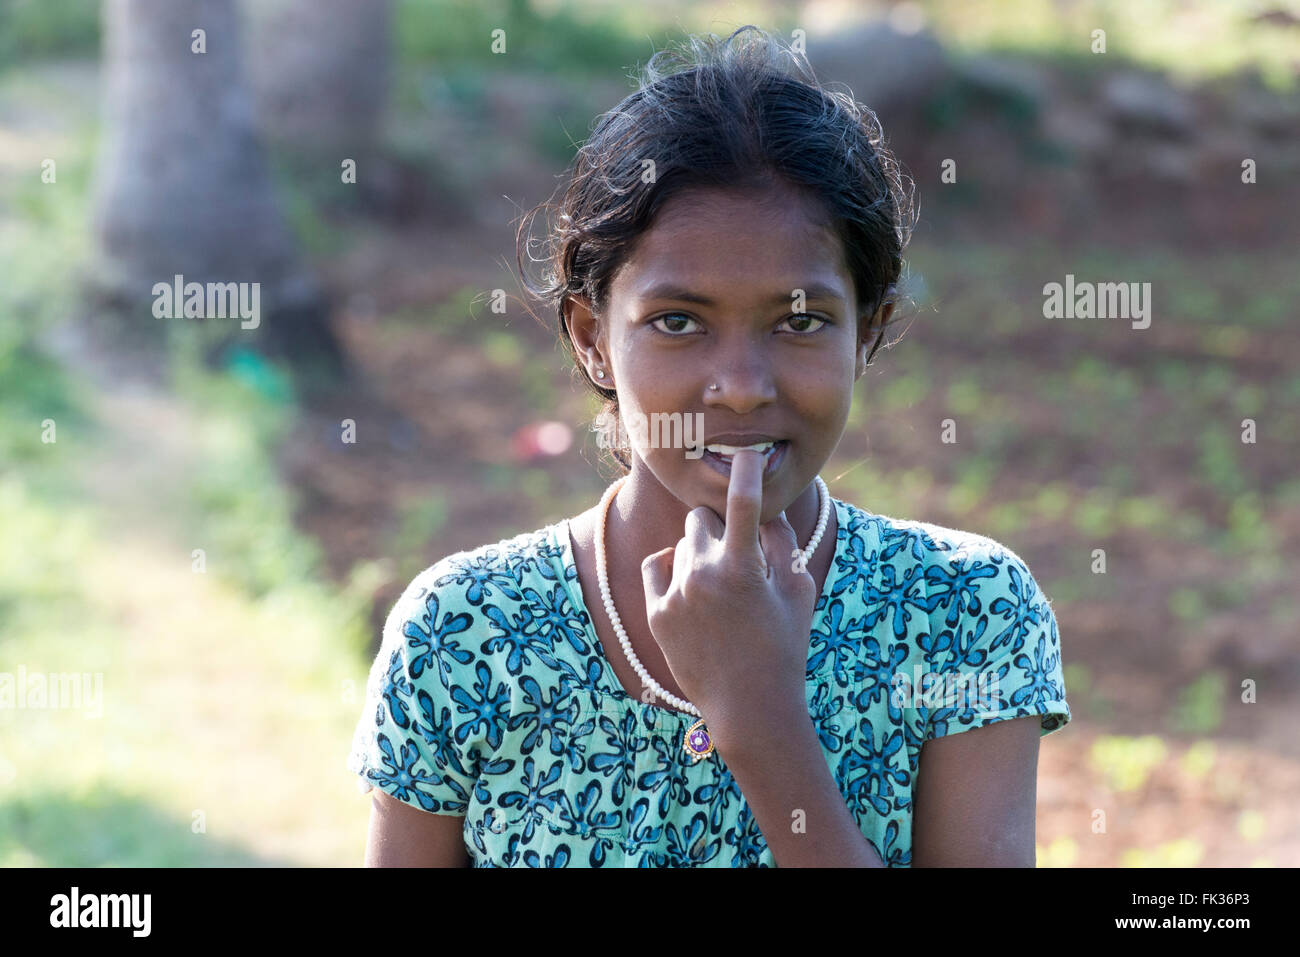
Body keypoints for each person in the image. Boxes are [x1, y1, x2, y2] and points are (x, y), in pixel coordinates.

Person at [347, 25, 1070, 867]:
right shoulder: (467, 629)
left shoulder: (964, 613)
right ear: (590, 337)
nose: (741, 385)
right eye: (677, 321)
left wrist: (759, 716)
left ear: (867, 332)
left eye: (800, 321)